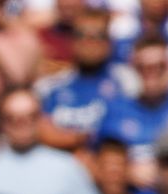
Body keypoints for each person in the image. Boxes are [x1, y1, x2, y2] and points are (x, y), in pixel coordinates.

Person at [37, 8, 131, 153]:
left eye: (97, 36)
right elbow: (40, 129)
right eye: (81, 35)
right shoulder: (51, 86)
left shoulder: (127, 82)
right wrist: (75, 142)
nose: (88, 42)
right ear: (72, 41)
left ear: (109, 42)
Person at [96, 37, 168, 189]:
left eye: (160, 66)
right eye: (143, 67)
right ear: (133, 68)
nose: (152, 73)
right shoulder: (116, 110)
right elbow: (96, 161)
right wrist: (125, 172)